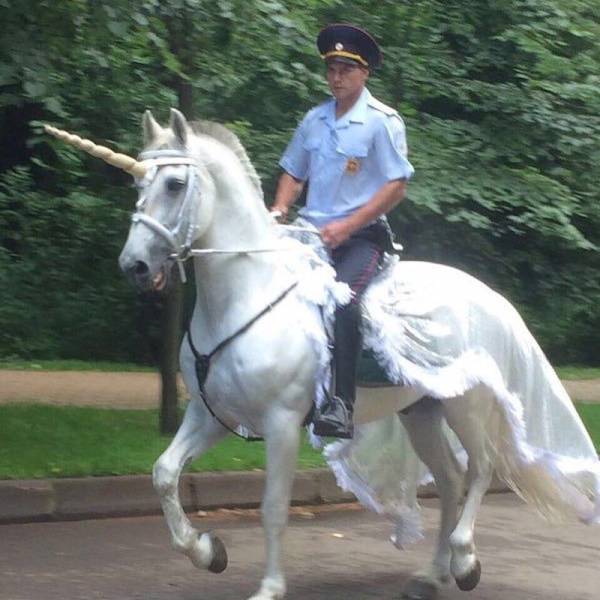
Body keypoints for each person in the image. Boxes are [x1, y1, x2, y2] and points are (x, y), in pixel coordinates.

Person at [271, 23, 414, 438]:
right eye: (332, 68)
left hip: (361, 238)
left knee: (344, 302)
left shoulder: (382, 122)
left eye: (346, 69)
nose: (336, 77)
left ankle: (340, 403)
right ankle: (269, 387)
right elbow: (293, 172)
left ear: (364, 72)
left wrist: (349, 225)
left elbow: (397, 185)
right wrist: (280, 208)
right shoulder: (314, 120)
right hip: (310, 236)